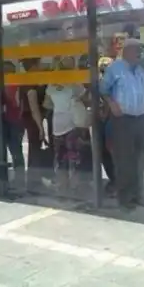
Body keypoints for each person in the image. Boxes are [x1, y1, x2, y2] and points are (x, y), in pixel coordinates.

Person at [100, 38, 144, 211]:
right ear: (128, 51)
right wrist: (111, 103)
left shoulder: (141, 71)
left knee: (138, 159)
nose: (140, 54)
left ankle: (138, 194)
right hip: (123, 120)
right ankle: (125, 198)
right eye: (137, 50)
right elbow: (102, 89)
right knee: (124, 160)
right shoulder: (115, 69)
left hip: (141, 119)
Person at [44, 57, 86, 194]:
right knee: (74, 156)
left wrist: (58, 104)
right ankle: (74, 186)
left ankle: (62, 185)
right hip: (72, 123)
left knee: (60, 157)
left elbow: (47, 104)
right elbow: (85, 97)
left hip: (57, 124)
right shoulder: (74, 83)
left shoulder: (51, 85)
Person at [19, 58, 49, 183]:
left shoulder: (25, 81)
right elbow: (34, 107)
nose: (41, 65)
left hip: (28, 117)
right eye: (39, 63)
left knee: (33, 147)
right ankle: (35, 179)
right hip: (33, 119)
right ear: (34, 65)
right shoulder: (31, 83)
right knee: (35, 147)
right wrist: (41, 127)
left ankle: (33, 177)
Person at [3, 61, 25, 187]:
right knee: (14, 149)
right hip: (9, 120)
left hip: (14, 121)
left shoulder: (15, 85)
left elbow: (18, 103)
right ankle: (17, 175)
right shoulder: (6, 85)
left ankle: (19, 177)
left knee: (16, 150)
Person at [98, 57, 116, 196]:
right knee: (105, 152)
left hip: (111, 121)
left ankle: (116, 182)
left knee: (110, 152)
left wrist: (104, 114)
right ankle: (114, 180)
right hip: (106, 121)